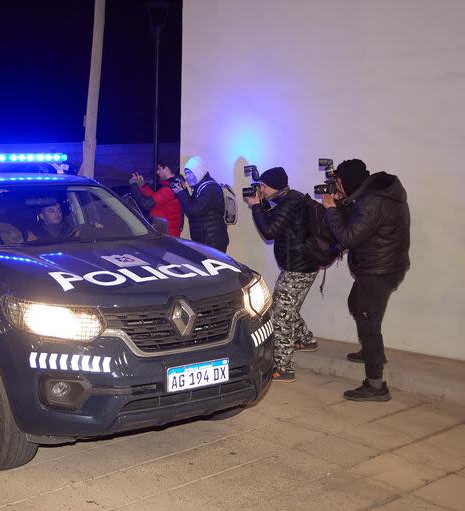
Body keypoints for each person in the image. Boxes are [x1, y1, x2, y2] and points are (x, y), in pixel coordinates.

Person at [322, 159, 410, 402]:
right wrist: (342, 204)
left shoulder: (372, 201)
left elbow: (349, 236)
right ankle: (371, 352)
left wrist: (330, 208)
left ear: (348, 180)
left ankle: (376, 385)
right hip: (383, 266)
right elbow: (362, 224)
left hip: (378, 270)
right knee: (356, 304)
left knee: (368, 321)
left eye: (338, 182)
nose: (336, 187)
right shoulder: (374, 194)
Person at [244, 167, 319, 383]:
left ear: (271, 187)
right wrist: (262, 205)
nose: (262, 190)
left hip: (298, 267)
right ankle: (304, 339)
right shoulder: (290, 198)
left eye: (264, 187)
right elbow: (276, 220)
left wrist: (256, 206)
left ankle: (284, 368)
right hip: (299, 264)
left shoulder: (290, 203)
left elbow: (269, 231)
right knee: (284, 305)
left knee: (281, 315)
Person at [171, 156, 229, 251]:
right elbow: (193, 206)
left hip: (212, 242)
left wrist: (182, 192)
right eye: (186, 174)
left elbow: (192, 211)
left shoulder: (210, 188)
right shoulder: (201, 187)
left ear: (198, 171)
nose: (187, 177)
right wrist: (184, 190)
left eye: (189, 173)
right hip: (206, 240)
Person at [128, 161, 183, 236]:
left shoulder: (169, 189)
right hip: (166, 232)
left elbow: (146, 204)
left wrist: (133, 184)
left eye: (159, 169)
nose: (157, 172)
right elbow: (157, 198)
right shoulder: (175, 185)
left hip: (166, 235)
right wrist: (142, 186)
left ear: (166, 169)